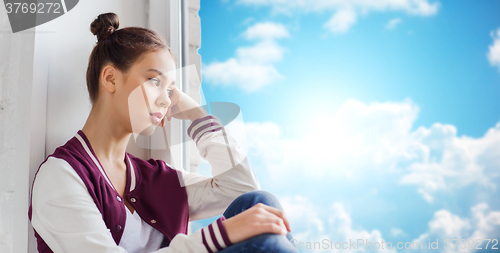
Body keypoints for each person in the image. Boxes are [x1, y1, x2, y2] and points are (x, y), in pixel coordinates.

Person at [28, 12, 299, 253]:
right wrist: (216, 237)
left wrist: (195, 113)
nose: (166, 100)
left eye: (171, 91)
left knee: (259, 201)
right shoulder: (61, 176)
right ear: (110, 78)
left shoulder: (156, 178)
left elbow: (241, 189)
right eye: (155, 81)